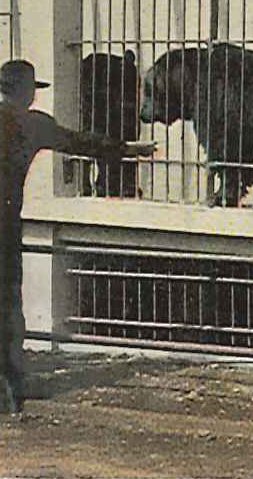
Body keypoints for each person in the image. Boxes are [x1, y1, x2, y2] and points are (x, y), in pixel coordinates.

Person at [1, 59, 154, 414]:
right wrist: (129, 150)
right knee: (8, 305)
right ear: (26, 91)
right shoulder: (32, 124)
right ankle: (10, 384)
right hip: (4, 224)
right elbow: (81, 142)